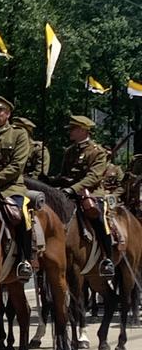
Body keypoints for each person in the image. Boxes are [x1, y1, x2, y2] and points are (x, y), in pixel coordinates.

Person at [53, 115, 113, 276]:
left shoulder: (97, 152)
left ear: (83, 130)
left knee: (99, 219)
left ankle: (108, 257)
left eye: (73, 129)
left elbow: (94, 176)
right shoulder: (70, 151)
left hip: (91, 193)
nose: (70, 132)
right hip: (68, 193)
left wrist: (73, 189)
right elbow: (63, 174)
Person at [0, 95, 33, 280]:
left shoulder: (19, 134)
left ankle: (24, 259)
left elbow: (16, 166)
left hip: (10, 188)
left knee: (19, 213)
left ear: (8, 114)